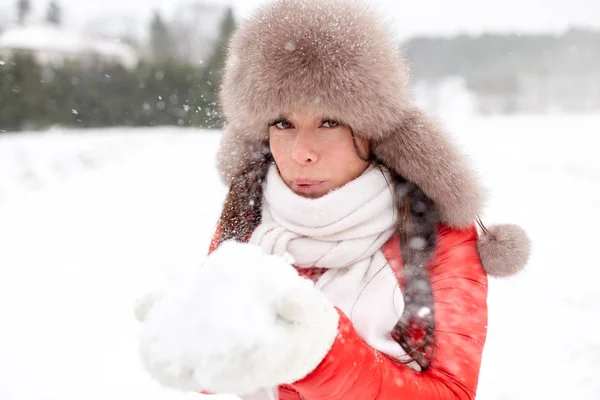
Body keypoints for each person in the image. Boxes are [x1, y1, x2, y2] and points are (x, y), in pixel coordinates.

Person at [135, 0, 531, 399]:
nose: (302, 151)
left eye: (329, 122)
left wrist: (320, 353)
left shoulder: (438, 239)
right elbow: (229, 378)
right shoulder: (250, 214)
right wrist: (195, 344)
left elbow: (450, 393)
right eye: (283, 123)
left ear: (371, 128)